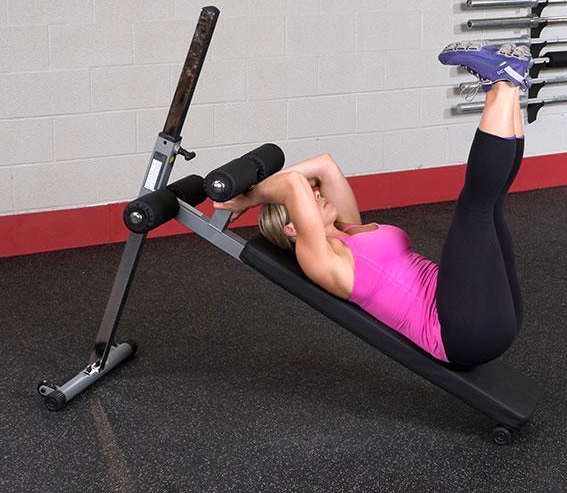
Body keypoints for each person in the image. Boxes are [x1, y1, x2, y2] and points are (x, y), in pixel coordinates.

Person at [213, 42, 531, 367]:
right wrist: (248, 199)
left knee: (491, 207)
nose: (317, 194)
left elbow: (325, 165)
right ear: (293, 227)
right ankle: (502, 82)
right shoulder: (320, 259)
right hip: (461, 333)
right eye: (311, 198)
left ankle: (507, 86)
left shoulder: (348, 226)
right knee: (475, 209)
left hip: (490, 312)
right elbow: (293, 184)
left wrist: (253, 191)